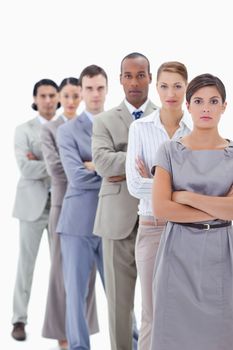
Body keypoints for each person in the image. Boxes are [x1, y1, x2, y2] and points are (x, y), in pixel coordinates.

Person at [150, 73, 233, 350]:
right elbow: (161, 207)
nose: (206, 108)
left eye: (213, 101)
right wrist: (216, 208)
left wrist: (184, 197)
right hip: (178, 252)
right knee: (173, 334)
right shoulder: (169, 151)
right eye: (198, 101)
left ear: (224, 106)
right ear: (188, 106)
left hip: (222, 253)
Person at [92, 52, 157, 350]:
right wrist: (143, 160)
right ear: (120, 79)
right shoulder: (104, 120)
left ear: (150, 78)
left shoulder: (165, 117)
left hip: (158, 220)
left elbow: (172, 166)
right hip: (116, 223)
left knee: (157, 304)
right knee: (119, 306)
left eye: (140, 75)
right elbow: (102, 163)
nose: (134, 81)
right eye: (128, 75)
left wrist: (123, 163)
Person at [126, 61, 192, 349]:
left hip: (186, 230)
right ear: (156, 86)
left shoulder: (194, 132)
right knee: (151, 312)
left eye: (177, 86)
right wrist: (177, 190)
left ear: (186, 88)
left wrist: (156, 182)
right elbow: (134, 185)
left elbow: (201, 187)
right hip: (152, 228)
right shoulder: (140, 128)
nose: (171, 92)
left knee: (182, 310)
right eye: (164, 85)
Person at [40, 77, 99, 350]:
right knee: (64, 279)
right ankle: (64, 336)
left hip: (95, 208)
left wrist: (90, 164)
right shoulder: (53, 129)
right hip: (64, 207)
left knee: (86, 281)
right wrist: (83, 165)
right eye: (68, 96)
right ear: (61, 98)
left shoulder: (92, 126)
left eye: (77, 95)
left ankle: (80, 332)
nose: (73, 101)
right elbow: (59, 170)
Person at [56, 65, 107, 350]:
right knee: (75, 294)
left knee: (119, 295)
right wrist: (110, 170)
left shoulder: (120, 125)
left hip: (112, 222)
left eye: (100, 88)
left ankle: (134, 345)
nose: (95, 94)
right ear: (81, 91)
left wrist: (94, 165)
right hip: (77, 224)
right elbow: (76, 176)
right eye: (89, 88)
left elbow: (130, 173)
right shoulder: (67, 131)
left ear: (107, 89)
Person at [11, 79, 60, 341]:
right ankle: (19, 319)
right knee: (25, 265)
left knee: (61, 267)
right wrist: (56, 162)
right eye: (43, 95)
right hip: (31, 206)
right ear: (35, 98)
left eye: (53, 95)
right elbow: (25, 168)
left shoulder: (67, 128)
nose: (48, 100)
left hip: (60, 206)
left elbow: (72, 165)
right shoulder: (23, 130)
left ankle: (61, 320)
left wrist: (41, 160)